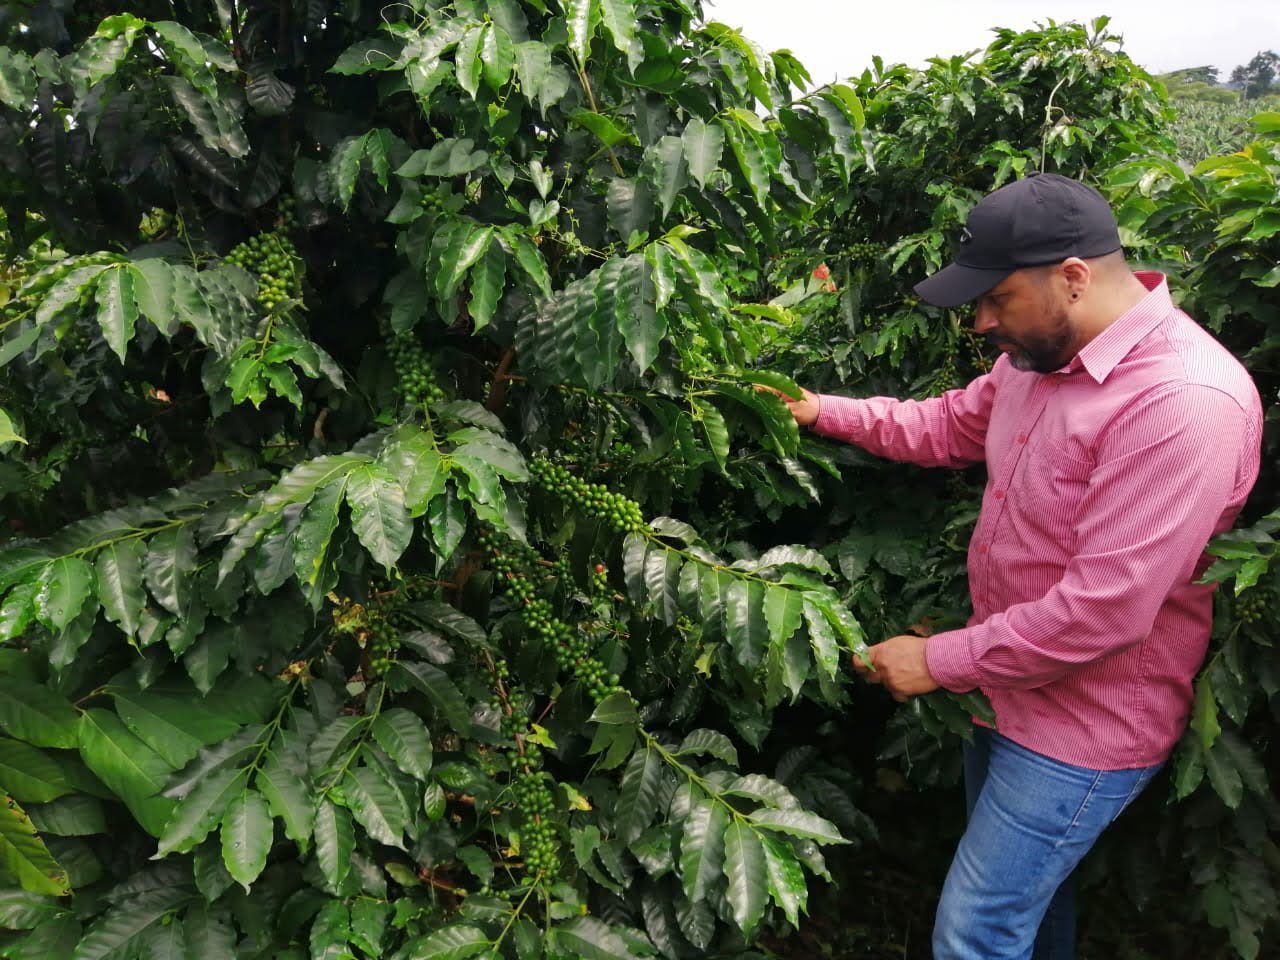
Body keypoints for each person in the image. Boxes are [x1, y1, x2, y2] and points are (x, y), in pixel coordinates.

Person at [776, 172, 1262, 960]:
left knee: (976, 932)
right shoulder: (1038, 360)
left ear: (1072, 278)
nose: (981, 321)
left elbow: (1103, 612)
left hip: (1082, 728)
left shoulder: (1182, 401)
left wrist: (939, 659)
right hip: (1004, 692)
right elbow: (947, 425)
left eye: (997, 298)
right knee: (1030, 913)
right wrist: (819, 408)